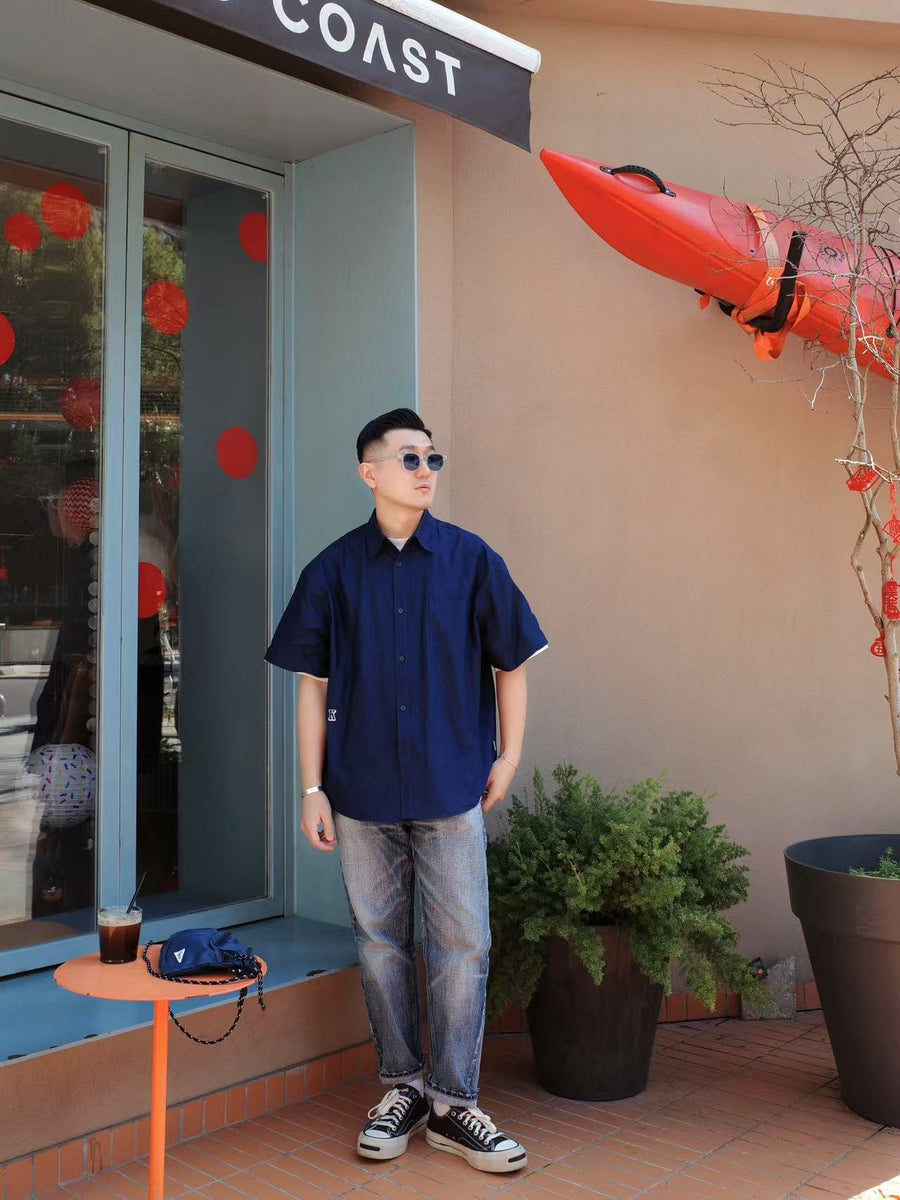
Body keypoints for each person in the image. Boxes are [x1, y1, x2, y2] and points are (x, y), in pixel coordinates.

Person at [265, 408, 547, 1175]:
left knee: (463, 944)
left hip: (452, 788)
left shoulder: (471, 560)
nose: (426, 471)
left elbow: (512, 663)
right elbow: (312, 685)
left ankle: (455, 1104)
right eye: (410, 458)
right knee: (381, 945)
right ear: (370, 472)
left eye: (433, 458)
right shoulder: (332, 571)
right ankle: (404, 1089)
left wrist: (509, 756)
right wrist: (312, 787)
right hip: (359, 795)